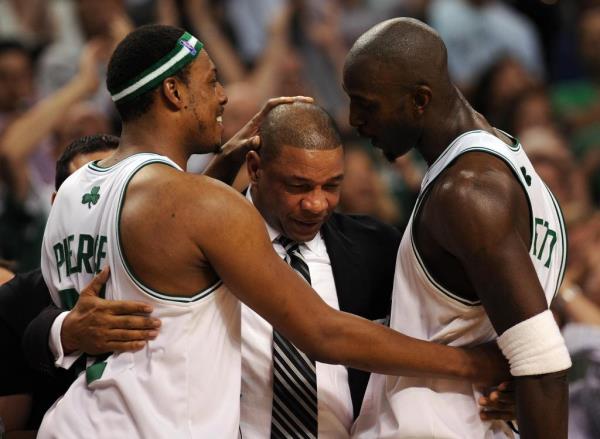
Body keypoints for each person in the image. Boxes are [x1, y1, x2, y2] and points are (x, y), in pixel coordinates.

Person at [37, 24, 507, 438]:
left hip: (76, 419)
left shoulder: (75, 190)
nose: (223, 96)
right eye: (212, 81)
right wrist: (476, 364)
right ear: (175, 94)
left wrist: (222, 164)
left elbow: (160, 237)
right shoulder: (198, 205)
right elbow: (324, 334)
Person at [342, 18, 571, 438]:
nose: (354, 118)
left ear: (420, 100)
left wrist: (523, 373)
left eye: (367, 104)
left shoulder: (466, 194)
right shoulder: (502, 153)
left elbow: (543, 367)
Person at [240, 102, 400, 437]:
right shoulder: (203, 246)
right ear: (255, 168)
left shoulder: (378, 247)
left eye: (331, 186)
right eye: (298, 186)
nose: (316, 204)